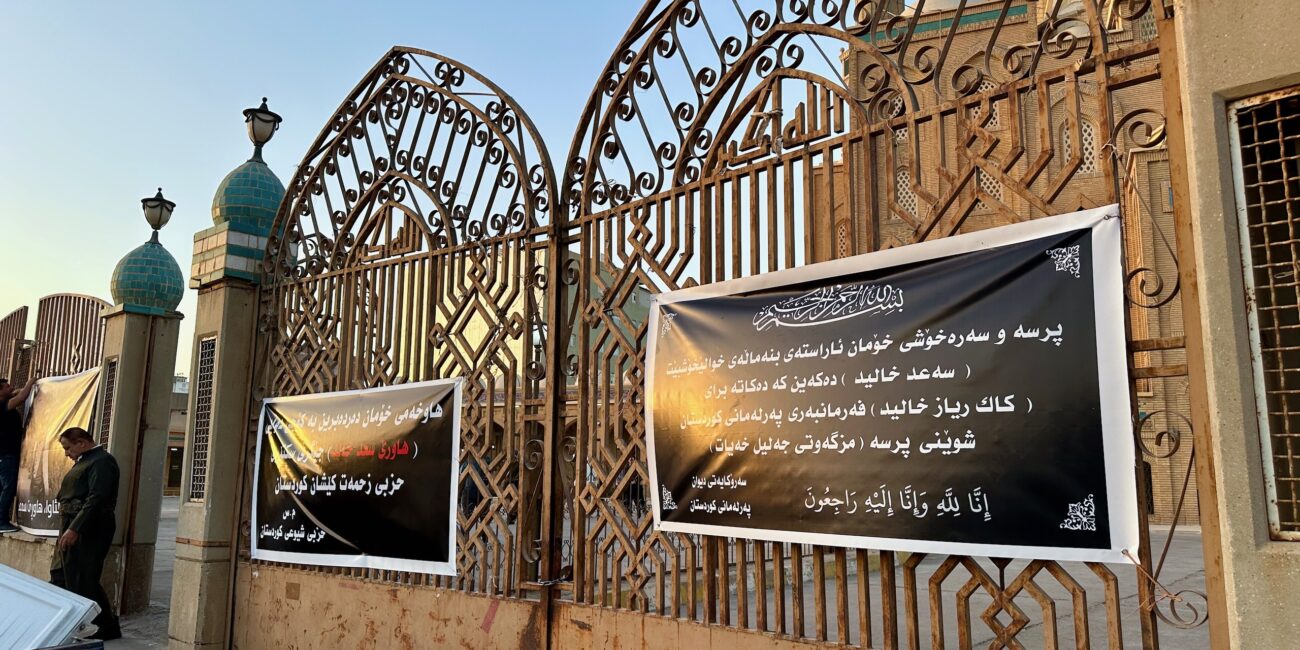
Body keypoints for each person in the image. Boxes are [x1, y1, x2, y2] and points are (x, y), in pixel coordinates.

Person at [51, 426, 121, 641]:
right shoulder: (85, 461)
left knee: (84, 577)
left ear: (81, 442)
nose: (67, 453)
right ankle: (67, 622)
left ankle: (105, 626)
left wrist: (75, 528)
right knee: (62, 575)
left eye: (68, 448)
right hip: (73, 524)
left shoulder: (102, 461)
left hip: (90, 527)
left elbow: (97, 498)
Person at [0, 374, 37, 533]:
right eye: (7, 386)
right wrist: (32, 380)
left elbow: (17, 392)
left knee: (4, 488)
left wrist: (15, 391)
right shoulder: (2, 405)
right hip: (6, 455)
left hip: (6, 455)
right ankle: (1, 521)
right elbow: (21, 397)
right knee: (9, 488)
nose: (11, 387)